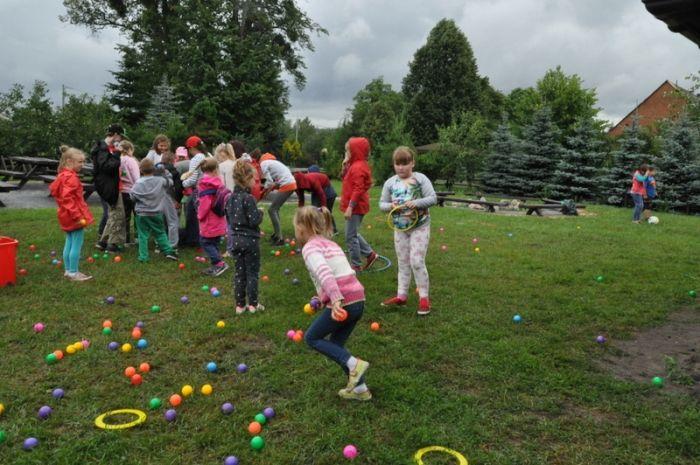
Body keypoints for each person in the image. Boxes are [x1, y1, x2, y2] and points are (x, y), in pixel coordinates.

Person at [295, 206, 371, 401]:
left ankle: (354, 365)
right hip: (357, 299)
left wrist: (335, 298)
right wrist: (321, 299)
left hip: (343, 301)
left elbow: (325, 273)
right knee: (336, 345)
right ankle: (360, 389)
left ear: (302, 228)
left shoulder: (310, 248)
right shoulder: (331, 244)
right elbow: (338, 273)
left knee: (312, 338)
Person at [379, 147, 437, 315]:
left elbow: (433, 198)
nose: (401, 167)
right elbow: (381, 204)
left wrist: (417, 203)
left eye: (405, 164)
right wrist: (391, 206)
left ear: (412, 163)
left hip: (420, 226)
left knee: (416, 261)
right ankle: (401, 296)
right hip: (400, 228)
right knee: (403, 262)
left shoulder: (420, 179)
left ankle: (424, 298)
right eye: (398, 164)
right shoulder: (390, 183)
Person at [49, 146, 94, 281]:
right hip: (73, 216)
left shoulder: (62, 176)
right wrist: (78, 216)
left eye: (83, 161)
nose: (82, 164)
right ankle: (74, 272)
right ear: (69, 161)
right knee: (76, 244)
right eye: (80, 162)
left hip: (64, 215)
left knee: (69, 241)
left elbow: (59, 195)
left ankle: (68, 271)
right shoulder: (71, 178)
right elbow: (67, 199)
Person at [226, 161, 264, 314]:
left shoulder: (229, 198)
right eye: (254, 179)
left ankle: (240, 305)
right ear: (247, 178)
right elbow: (254, 220)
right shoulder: (249, 199)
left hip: (235, 240)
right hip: (250, 241)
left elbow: (229, 219)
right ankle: (253, 304)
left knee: (239, 273)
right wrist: (260, 212)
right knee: (252, 273)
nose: (255, 182)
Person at [130, 159, 179, 262]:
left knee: (142, 235)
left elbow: (132, 197)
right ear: (154, 169)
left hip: (141, 213)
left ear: (140, 170)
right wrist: (165, 173)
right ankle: (169, 251)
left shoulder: (138, 183)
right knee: (160, 233)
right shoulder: (160, 181)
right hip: (156, 212)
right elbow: (170, 183)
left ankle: (143, 257)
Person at [340, 137, 377, 271]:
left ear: (356, 151)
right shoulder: (354, 165)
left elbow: (359, 188)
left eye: (347, 151)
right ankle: (370, 254)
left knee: (350, 236)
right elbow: (345, 179)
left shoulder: (358, 167)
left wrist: (350, 207)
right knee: (352, 233)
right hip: (355, 206)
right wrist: (344, 166)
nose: (346, 154)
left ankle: (356, 265)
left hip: (356, 207)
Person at [92, 124, 126, 253]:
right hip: (108, 185)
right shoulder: (103, 148)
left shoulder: (104, 148)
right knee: (118, 214)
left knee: (113, 213)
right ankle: (112, 245)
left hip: (109, 184)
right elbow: (108, 167)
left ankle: (103, 242)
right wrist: (117, 154)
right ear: (116, 134)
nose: (121, 139)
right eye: (120, 136)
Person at [197, 158, 230, 276]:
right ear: (216, 169)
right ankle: (216, 262)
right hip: (220, 219)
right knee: (214, 242)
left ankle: (219, 264)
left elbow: (205, 205)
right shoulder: (218, 182)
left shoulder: (205, 184)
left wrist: (200, 215)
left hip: (210, 220)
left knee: (205, 242)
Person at [260, 153, 297, 245]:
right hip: (291, 184)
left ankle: (279, 238)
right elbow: (274, 183)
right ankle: (276, 234)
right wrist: (266, 191)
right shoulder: (275, 163)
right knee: (275, 209)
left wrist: (262, 191)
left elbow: (269, 182)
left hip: (287, 185)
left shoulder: (263, 163)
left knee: (272, 210)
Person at [180, 136, 210, 246]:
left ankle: (194, 239)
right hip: (209, 190)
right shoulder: (207, 156)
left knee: (191, 214)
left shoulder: (196, 159)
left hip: (198, 190)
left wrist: (182, 183)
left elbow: (192, 179)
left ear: (191, 148)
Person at [294, 168, 338, 234]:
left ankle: (333, 230)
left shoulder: (312, 180)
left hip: (327, 190)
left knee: (326, 211)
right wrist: (300, 211)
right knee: (315, 210)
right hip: (316, 192)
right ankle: (316, 229)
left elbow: (322, 194)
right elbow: (301, 199)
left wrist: (324, 206)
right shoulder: (299, 184)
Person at [157, 151, 182, 249]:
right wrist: (177, 200)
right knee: (172, 222)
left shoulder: (155, 170)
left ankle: (159, 244)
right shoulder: (174, 171)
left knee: (160, 222)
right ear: (173, 160)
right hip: (170, 199)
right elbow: (178, 188)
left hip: (156, 199)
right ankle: (172, 245)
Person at [118, 140, 140, 245]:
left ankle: (125, 239)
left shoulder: (118, 160)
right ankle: (138, 237)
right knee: (138, 215)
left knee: (125, 217)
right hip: (133, 191)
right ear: (130, 149)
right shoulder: (131, 161)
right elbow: (136, 177)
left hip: (122, 191)